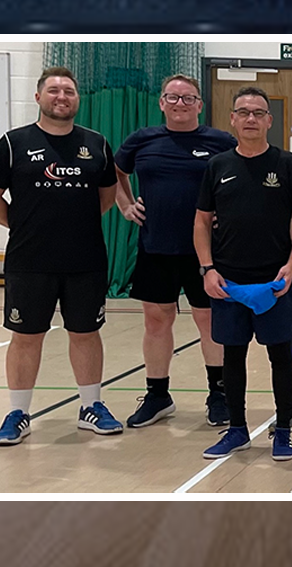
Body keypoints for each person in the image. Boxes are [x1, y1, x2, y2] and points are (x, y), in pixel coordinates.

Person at [0, 66, 121, 446]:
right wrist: (24, 225)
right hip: (29, 261)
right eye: (54, 90)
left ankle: (91, 407)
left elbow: (106, 197)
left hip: (85, 260)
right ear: (39, 97)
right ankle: (18, 413)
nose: (62, 96)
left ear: (78, 99)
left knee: (86, 333)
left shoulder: (96, 143)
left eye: (70, 91)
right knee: (26, 337)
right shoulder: (13, 143)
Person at [196, 87, 292, 461]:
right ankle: (236, 430)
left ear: (269, 120)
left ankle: (282, 431)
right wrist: (207, 269)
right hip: (228, 281)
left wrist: (291, 265)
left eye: (258, 113)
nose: (250, 119)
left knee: (280, 355)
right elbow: (201, 222)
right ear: (232, 119)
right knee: (233, 357)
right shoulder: (217, 166)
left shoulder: (286, 164)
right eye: (243, 112)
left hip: (274, 283)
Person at [114, 74, 238, 429]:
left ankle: (219, 394)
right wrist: (125, 205)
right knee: (156, 320)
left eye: (188, 98)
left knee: (209, 321)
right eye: (173, 97)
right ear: (162, 103)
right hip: (156, 246)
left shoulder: (220, 141)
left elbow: (237, 178)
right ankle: (157, 395)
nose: (180, 104)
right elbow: (116, 172)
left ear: (200, 104)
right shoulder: (143, 140)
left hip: (206, 253)